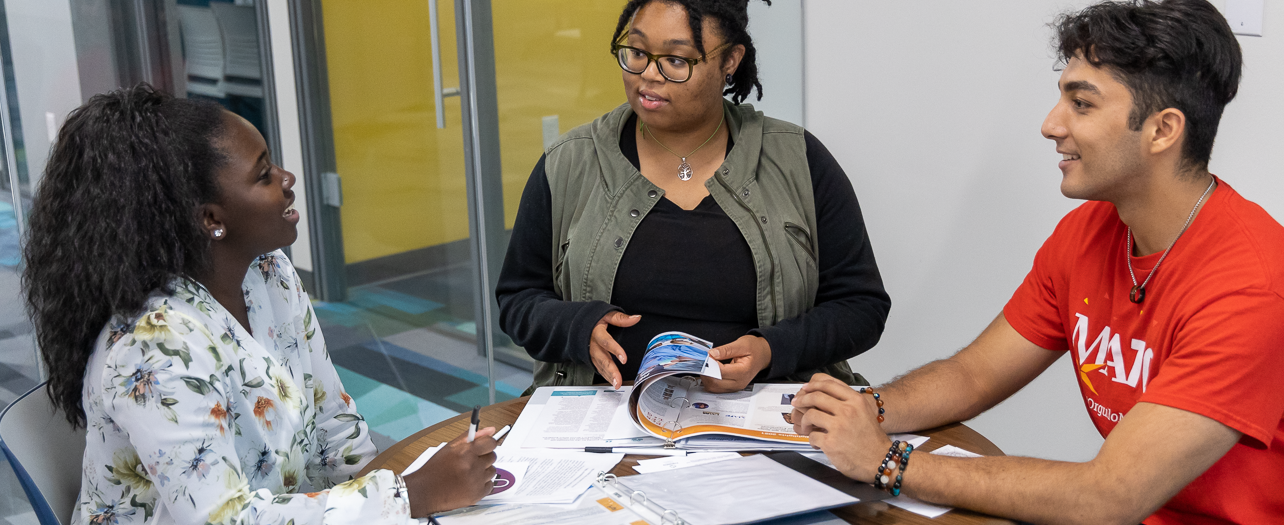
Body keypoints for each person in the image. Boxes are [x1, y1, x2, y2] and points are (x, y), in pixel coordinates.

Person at [789, 1, 1284, 523]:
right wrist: (868, 409)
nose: (1051, 125)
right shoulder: (1087, 232)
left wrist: (887, 462)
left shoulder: (1252, 285)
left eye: (1083, 105)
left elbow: (1110, 497)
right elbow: (974, 374)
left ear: (1163, 130)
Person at [22, 85, 497, 524]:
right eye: (263, 174)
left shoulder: (269, 273)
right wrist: (409, 496)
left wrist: (404, 496)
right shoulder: (153, 349)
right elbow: (227, 520)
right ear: (211, 219)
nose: (287, 179)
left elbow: (333, 425)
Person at [496, 0, 891, 394]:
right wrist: (576, 328)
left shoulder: (797, 158)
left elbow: (861, 306)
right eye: (636, 52)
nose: (648, 74)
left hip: (769, 414)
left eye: (676, 59)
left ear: (730, 61)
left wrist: (773, 349)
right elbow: (518, 298)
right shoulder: (569, 162)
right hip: (605, 414)